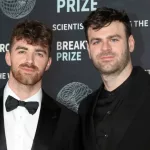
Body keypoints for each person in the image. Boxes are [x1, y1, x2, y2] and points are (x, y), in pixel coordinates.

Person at [0, 20, 81, 150]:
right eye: (22, 51)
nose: (29, 61)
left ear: (48, 63)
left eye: (39, 54)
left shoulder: (68, 122)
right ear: (8, 57)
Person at [78, 7, 150, 150]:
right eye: (97, 41)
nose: (105, 48)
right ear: (88, 50)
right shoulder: (85, 107)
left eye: (114, 39)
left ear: (131, 43)